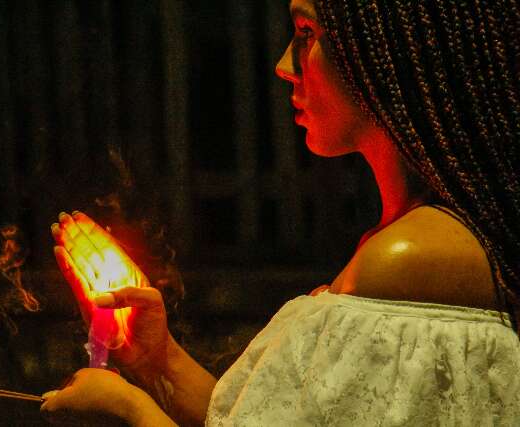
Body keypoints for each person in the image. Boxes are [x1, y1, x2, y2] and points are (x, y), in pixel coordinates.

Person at [41, 0, 520, 425]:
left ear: (389, 53)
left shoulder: (404, 260)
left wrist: (129, 408)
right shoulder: (410, 238)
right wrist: (158, 359)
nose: (284, 64)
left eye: (307, 34)